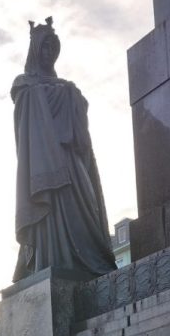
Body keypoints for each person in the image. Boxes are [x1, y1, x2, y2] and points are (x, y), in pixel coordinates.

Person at [12, 17, 116, 281]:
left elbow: (81, 125)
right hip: (43, 163)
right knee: (51, 208)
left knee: (86, 204)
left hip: (70, 158)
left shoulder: (67, 87)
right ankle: (53, 260)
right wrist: (57, 93)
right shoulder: (25, 84)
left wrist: (72, 96)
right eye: (45, 47)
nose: (49, 53)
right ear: (36, 50)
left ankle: (86, 259)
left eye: (53, 48)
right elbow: (26, 127)